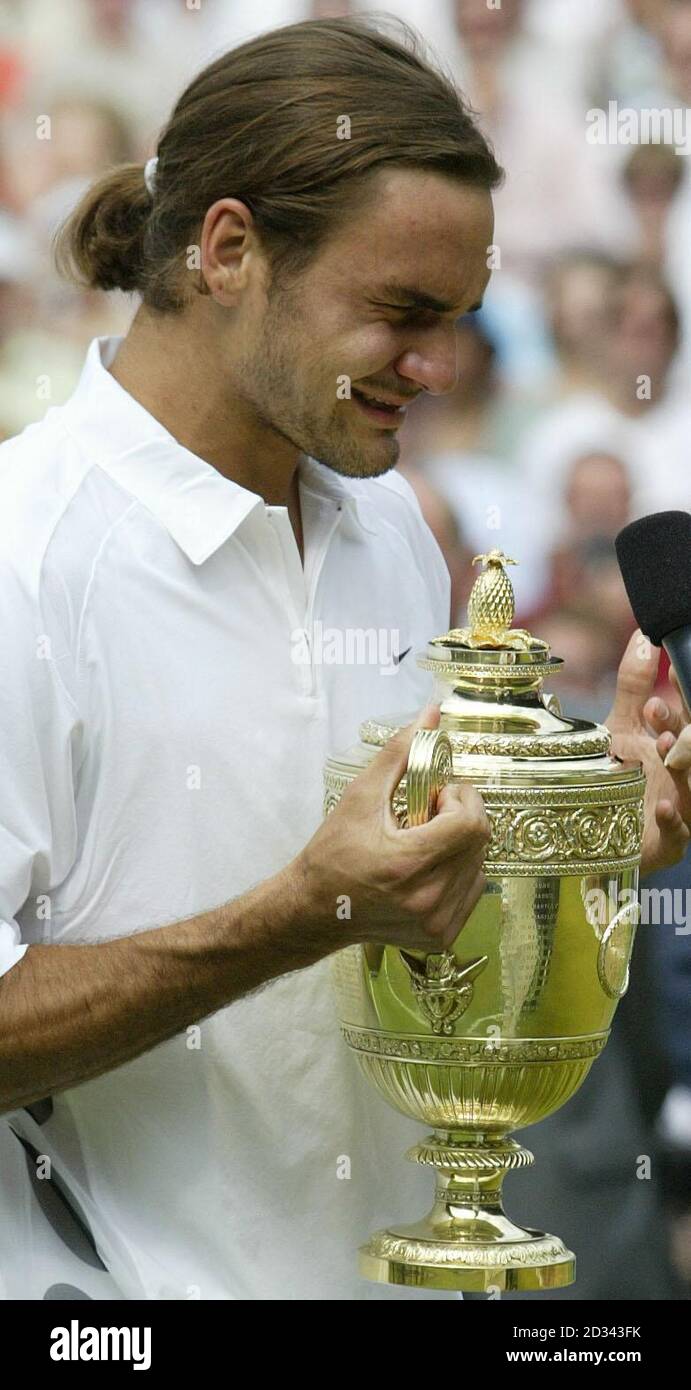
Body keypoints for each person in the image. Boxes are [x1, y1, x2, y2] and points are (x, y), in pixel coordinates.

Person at [0, 16, 689, 1304]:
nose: (441, 367)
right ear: (227, 251)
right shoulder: (20, 554)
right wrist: (300, 909)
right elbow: (327, 902)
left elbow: (400, 907)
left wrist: (574, 828)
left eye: (465, 321)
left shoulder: (385, 527)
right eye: (400, 313)